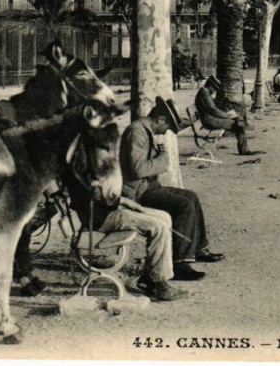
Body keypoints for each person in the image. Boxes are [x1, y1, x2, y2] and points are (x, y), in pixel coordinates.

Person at [64, 133, 187, 302]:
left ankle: (149, 274)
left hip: (105, 210)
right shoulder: (79, 165)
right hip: (101, 217)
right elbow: (101, 196)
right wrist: (123, 202)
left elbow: (104, 195)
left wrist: (126, 202)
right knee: (157, 226)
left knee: (163, 217)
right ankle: (157, 283)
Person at [120, 97, 225, 285]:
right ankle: (180, 263)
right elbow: (139, 169)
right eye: (167, 127)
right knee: (183, 205)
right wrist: (163, 159)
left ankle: (198, 248)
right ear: (160, 119)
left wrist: (160, 157)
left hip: (148, 187)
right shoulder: (137, 132)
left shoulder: (143, 131)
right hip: (137, 193)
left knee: (191, 196)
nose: (165, 131)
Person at [196, 76, 260, 155]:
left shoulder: (204, 93)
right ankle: (244, 149)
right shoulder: (204, 94)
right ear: (210, 86)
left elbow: (213, 109)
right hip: (210, 120)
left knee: (237, 121)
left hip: (210, 118)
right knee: (238, 125)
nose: (214, 91)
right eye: (214, 89)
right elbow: (213, 110)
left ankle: (244, 127)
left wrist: (227, 115)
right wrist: (227, 116)